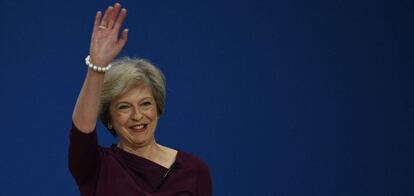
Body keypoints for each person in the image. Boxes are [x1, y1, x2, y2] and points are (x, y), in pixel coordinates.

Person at [69, 3, 212, 196]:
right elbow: (81, 130)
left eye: (145, 104)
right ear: (109, 118)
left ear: (157, 108)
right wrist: (97, 67)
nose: (137, 115)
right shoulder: (96, 167)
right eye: (124, 107)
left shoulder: (194, 170)